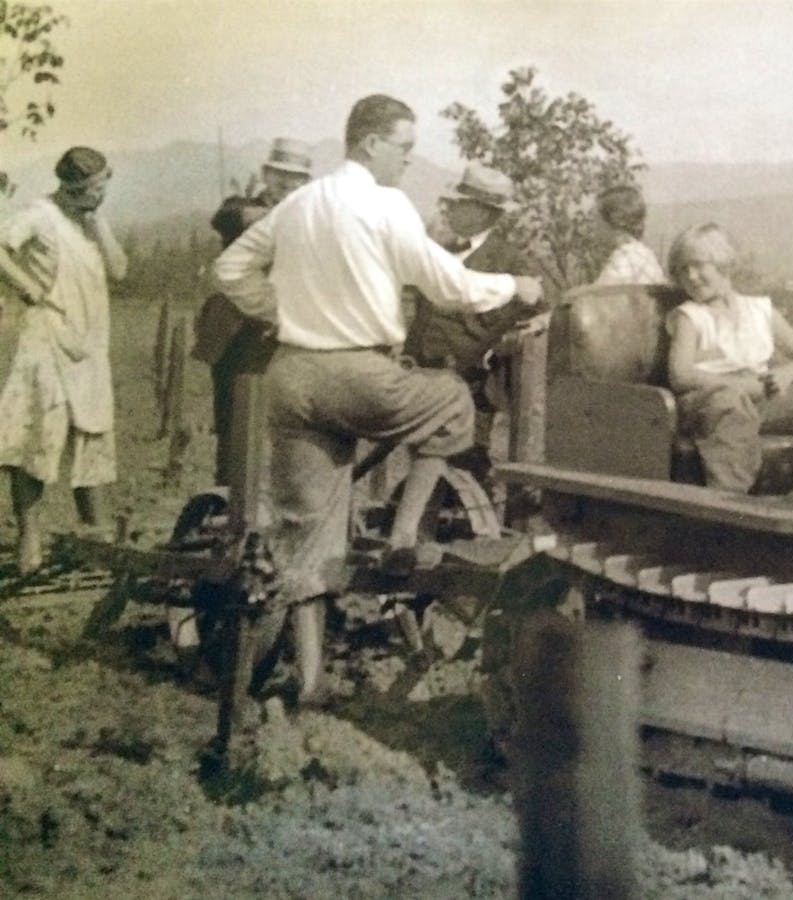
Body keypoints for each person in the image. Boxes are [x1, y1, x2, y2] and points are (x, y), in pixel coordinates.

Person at [213, 94, 543, 702]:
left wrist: (281, 313)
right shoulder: (386, 204)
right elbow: (447, 287)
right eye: (405, 149)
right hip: (359, 373)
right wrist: (514, 286)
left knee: (306, 532)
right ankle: (403, 533)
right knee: (451, 404)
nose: (409, 163)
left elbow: (230, 271)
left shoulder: (298, 203)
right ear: (370, 143)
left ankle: (309, 679)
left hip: (291, 376)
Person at [0, 147, 127, 575]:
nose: (101, 195)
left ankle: (96, 530)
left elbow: (120, 271)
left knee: (91, 429)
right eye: (93, 190)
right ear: (71, 189)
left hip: (89, 341)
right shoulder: (40, 214)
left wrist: (98, 222)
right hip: (46, 335)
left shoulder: (91, 222)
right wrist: (25, 286)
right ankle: (29, 536)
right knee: (38, 431)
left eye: (104, 186)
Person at [193, 137, 316, 486]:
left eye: (296, 177)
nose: (287, 183)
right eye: (280, 174)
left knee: (286, 423)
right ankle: (227, 501)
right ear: (266, 173)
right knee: (235, 421)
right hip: (237, 336)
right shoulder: (241, 209)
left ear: (306, 182)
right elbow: (227, 216)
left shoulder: (310, 219)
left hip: (286, 333)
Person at [402, 162, 538, 470]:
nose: (449, 209)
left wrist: (496, 350)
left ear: (485, 213)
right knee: (421, 458)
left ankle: (471, 514)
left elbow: (536, 312)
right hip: (422, 374)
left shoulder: (510, 260)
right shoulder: (436, 249)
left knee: (467, 463)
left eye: (459, 204)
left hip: (471, 385)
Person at [665, 223, 793, 493]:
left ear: (723, 263)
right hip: (711, 398)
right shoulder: (690, 316)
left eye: (699, 265)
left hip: (761, 398)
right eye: (682, 269)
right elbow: (681, 375)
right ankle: (730, 506)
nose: (691, 276)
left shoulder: (759, 309)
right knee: (730, 408)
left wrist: (785, 374)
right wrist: (742, 386)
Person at [591, 184, 667, 285]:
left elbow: (597, 298)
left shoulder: (624, 260)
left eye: (597, 220)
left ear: (615, 220)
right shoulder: (643, 253)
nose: (594, 227)